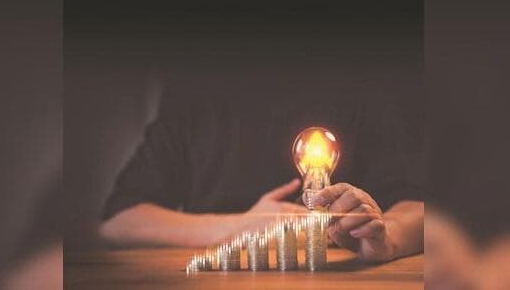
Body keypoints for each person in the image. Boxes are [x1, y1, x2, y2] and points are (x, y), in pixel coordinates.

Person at [99, 85, 424, 262]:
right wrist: (237, 227)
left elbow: (419, 208)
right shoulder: (193, 97)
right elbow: (118, 222)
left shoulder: (357, 92)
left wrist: (386, 237)